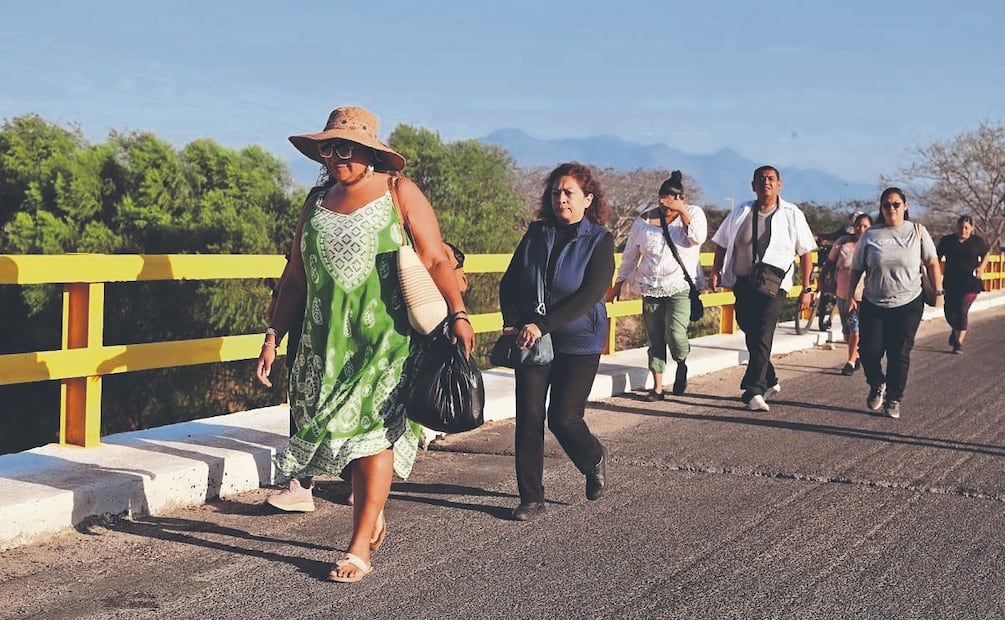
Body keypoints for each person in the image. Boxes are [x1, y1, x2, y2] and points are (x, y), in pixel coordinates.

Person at [255, 106, 474, 583]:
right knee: (341, 436)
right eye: (329, 147)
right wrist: (274, 335)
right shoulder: (315, 202)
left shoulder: (400, 193)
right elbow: (294, 277)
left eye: (347, 147)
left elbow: (437, 259)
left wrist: (458, 313)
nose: (337, 156)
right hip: (322, 343)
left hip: (386, 340)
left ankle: (357, 547)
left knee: (373, 432)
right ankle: (372, 510)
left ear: (371, 151)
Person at [499, 162, 615, 521]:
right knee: (529, 418)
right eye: (555, 192)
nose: (560, 199)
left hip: (579, 341)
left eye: (568, 193)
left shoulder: (599, 240)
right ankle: (531, 498)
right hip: (533, 340)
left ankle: (593, 458)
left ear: (587, 199)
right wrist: (513, 321)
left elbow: (590, 294)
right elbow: (510, 281)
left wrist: (543, 324)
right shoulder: (537, 234)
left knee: (564, 419)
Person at [709, 166, 816, 412]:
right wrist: (716, 270)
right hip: (744, 282)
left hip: (774, 284)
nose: (766, 183)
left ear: (779, 184)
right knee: (750, 331)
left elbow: (806, 252)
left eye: (770, 179)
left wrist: (807, 288)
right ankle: (771, 378)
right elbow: (722, 243)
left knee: (763, 332)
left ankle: (754, 389)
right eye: (761, 179)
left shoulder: (791, 214)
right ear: (753, 185)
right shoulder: (741, 211)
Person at [610, 170, 707, 400]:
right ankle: (658, 387)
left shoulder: (693, 214)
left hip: (679, 286)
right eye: (664, 204)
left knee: (675, 333)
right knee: (654, 337)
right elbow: (631, 255)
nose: (667, 209)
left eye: (672, 204)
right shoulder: (643, 221)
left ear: (682, 199)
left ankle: (681, 361)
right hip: (650, 285)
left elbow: (697, 238)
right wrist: (619, 283)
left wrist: (681, 209)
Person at [849, 188, 942, 419]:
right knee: (869, 351)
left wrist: (939, 290)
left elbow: (932, 262)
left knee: (899, 352)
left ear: (905, 206)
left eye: (896, 204)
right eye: (887, 205)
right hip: (873, 301)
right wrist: (851, 294)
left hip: (909, 302)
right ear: (881, 208)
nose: (892, 209)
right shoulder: (871, 234)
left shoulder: (918, 232)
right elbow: (856, 267)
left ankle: (893, 399)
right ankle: (876, 383)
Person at [937, 215, 989, 354]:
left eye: (967, 228)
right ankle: (956, 330)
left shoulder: (977, 241)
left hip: (971, 284)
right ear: (956, 227)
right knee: (950, 314)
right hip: (951, 284)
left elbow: (986, 253)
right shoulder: (947, 241)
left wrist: (981, 267)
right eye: (961, 227)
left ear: (972, 228)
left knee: (962, 311)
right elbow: (935, 259)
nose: (963, 230)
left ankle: (958, 343)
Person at [828, 212, 872, 375]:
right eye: (858, 226)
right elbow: (830, 261)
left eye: (865, 226)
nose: (861, 229)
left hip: (864, 294)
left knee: (855, 328)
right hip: (842, 293)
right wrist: (822, 280)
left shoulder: (873, 245)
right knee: (847, 331)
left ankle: (850, 362)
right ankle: (856, 355)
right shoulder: (843, 243)